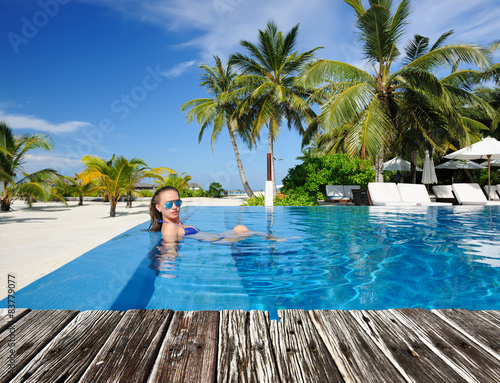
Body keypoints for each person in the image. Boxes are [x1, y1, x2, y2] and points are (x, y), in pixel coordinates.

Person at [148, 185, 250, 240]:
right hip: (219, 242)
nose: (174, 207)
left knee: (240, 228)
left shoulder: (177, 225)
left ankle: (265, 237)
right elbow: (170, 249)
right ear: (158, 207)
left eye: (177, 202)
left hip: (218, 237)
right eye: (169, 204)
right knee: (241, 229)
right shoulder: (170, 227)